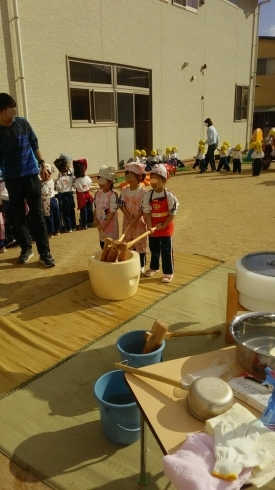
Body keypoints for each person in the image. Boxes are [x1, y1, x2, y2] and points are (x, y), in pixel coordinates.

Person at [0, 93, 55, 266]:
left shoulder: (22, 123)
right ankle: (26, 249)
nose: (12, 118)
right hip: (12, 179)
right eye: (9, 113)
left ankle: (45, 253)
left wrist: (42, 164)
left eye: (13, 113)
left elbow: (34, 143)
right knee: (18, 217)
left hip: (31, 175)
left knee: (37, 215)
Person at [142, 164, 179, 283]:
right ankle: (154, 267)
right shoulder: (148, 195)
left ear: (164, 180)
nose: (153, 182)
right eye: (151, 179)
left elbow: (173, 212)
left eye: (156, 179)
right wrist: (149, 225)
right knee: (154, 249)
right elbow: (146, 211)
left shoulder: (169, 195)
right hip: (153, 227)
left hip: (165, 227)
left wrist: (164, 225)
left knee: (166, 250)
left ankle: (169, 272)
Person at [119, 162, 147, 272]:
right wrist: (129, 217)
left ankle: (141, 265)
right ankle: (130, 263)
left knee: (140, 242)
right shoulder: (124, 191)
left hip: (139, 221)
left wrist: (135, 219)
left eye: (132, 174)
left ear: (139, 176)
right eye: (127, 174)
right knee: (128, 241)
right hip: (128, 221)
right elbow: (121, 204)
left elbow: (143, 207)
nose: (129, 177)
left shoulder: (143, 192)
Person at [94, 166, 119, 249]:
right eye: (99, 180)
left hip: (110, 225)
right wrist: (96, 220)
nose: (101, 183)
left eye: (103, 180)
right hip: (101, 225)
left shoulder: (113, 195)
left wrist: (105, 224)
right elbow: (95, 208)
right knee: (102, 244)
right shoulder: (97, 194)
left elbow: (112, 212)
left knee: (111, 246)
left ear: (110, 182)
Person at [54, 155, 76, 232]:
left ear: (59, 170)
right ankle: (73, 226)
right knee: (71, 211)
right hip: (70, 195)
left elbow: (57, 188)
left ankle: (68, 227)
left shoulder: (59, 179)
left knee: (65, 212)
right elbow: (74, 185)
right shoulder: (71, 177)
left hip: (63, 196)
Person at [40, 163, 60, 238]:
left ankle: (54, 230)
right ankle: (52, 230)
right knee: (50, 216)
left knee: (53, 215)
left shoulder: (48, 181)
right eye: (41, 173)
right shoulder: (43, 182)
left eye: (45, 173)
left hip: (49, 200)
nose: (43, 175)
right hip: (47, 201)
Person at [73, 159, 93, 229]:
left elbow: (74, 186)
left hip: (81, 196)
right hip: (88, 194)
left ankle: (84, 224)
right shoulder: (88, 178)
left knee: (83, 211)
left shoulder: (77, 180)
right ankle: (90, 222)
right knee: (89, 209)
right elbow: (90, 182)